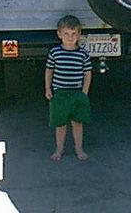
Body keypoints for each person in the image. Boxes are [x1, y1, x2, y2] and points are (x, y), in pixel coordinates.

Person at [45, 15, 92, 161]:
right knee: (60, 124)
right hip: (59, 93)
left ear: (79, 35)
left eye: (73, 34)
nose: (70, 37)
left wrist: (84, 91)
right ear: (59, 34)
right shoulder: (55, 52)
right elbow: (49, 71)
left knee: (77, 123)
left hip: (77, 93)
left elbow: (87, 73)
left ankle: (79, 149)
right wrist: (48, 88)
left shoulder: (83, 54)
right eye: (66, 33)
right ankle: (59, 149)